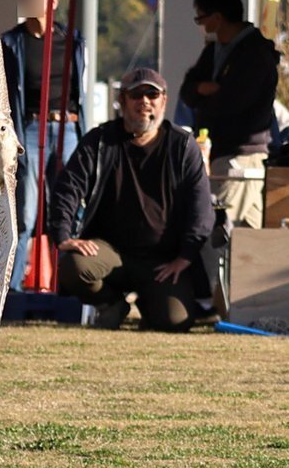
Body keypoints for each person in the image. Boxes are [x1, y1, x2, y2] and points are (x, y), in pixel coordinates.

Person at [51, 68, 212, 331]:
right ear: (123, 100)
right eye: (136, 94)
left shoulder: (183, 146)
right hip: (109, 253)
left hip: (162, 261)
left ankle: (151, 306)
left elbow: (201, 206)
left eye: (152, 94)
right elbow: (68, 188)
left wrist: (185, 256)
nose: (144, 101)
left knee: (175, 321)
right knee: (74, 265)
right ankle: (111, 303)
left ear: (164, 101)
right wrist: (63, 236)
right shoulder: (99, 141)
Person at [2, 0, 87, 291]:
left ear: (53, 0)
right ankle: (12, 290)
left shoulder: (73, 41)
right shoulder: (11, 43)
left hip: (68, 128)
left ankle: (69, 285)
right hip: (29, 128)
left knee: (66, 208)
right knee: (25, 211)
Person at [178, 0, 277, 229]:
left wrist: (206, 94)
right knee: (247, 237)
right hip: (222, 153)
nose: (201, 27)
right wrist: (203, 89)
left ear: (217, 18)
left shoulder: (255, 53)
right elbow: (187, 90)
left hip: (241, 155)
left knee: (212, 228)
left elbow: (233, 101)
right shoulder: (214, 50)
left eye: (201, 19)